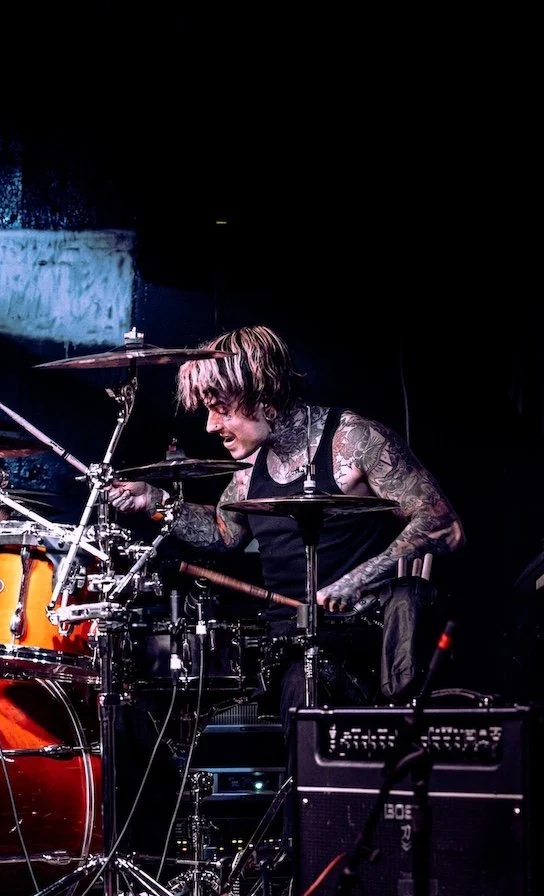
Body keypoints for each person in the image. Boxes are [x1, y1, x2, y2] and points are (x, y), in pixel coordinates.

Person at [107, 324, 465, 852]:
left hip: (360, 639)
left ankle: (312, 860)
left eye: (220, 409)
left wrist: (356, 580)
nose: (211, 425)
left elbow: (441, 524)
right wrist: (156, 502)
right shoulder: (251, 467)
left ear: (263, 396)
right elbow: (225, 532)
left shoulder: (352, 439)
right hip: (283, 644)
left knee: (307, 687)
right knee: (143, 704)